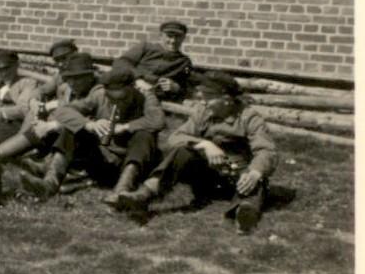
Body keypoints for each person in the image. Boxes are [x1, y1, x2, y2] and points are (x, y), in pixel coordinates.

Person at [115, 71, 279, 234]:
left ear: (227, 100)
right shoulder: (203, 112)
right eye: (202, 97)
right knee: (182, 151)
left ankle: (244, 213)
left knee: (255, 183)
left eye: (209, 98)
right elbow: (175, 138)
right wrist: (204, 144)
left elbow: (266, 150)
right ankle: (144, 195)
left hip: (237, 176)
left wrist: (255, 172)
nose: (204, 102)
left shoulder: (250, 117)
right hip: (207, 177)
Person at [35, 62, 166, 203]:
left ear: (132, 88)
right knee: (72, 129)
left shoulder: (146, 97)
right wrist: (89, 124)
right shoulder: (99, 95)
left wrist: (126, 127)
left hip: (133, 163)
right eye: (111, 99)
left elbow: (158, 121)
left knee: (145, 135)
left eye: (122, 99)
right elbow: (63, 111)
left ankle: (122, 190)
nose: (117, 104)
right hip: (103, 161)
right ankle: (50, 183)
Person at [0, 51, 99, 161]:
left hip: (72, 140)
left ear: (90, 77)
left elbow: (87, 121)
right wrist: (34, 102)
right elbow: (41, 90)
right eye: (69, 78)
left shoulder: (97, 93)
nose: (72, 83)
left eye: (77, 78)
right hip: (48, 130)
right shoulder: (66, 84)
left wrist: (52, 123)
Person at [116, 21, 193, 100]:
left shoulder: (184, 62)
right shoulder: (146, 47)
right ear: (161, 36)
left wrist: (176, 87)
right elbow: (122, 62)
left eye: (178, 37)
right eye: (169, 36)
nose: (173, 41)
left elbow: (187, 88)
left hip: (156, 97)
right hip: (132, 87)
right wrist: (137, 80)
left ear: (183, 38)